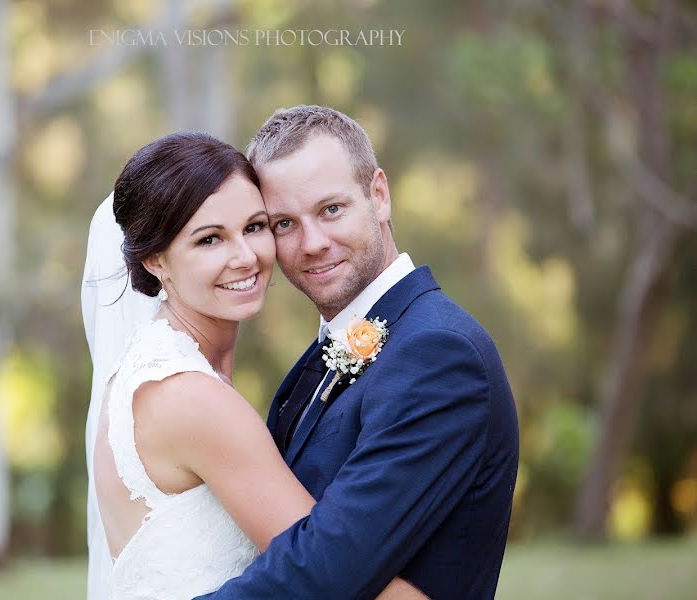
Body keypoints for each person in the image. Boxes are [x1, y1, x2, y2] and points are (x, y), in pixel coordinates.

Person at [81, 131, 424, 599]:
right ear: (156, 260)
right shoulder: (188, 395)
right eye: (210, 240)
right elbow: (330, 577)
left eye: (255, 227)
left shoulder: (159, 370)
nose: (246, 257)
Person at [196, 106, 520, 599]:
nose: (312, 243)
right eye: (284, 224)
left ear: (379, 195)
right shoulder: (334, 348)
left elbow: (330, 568)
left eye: (331, 209)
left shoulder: (440, 355)